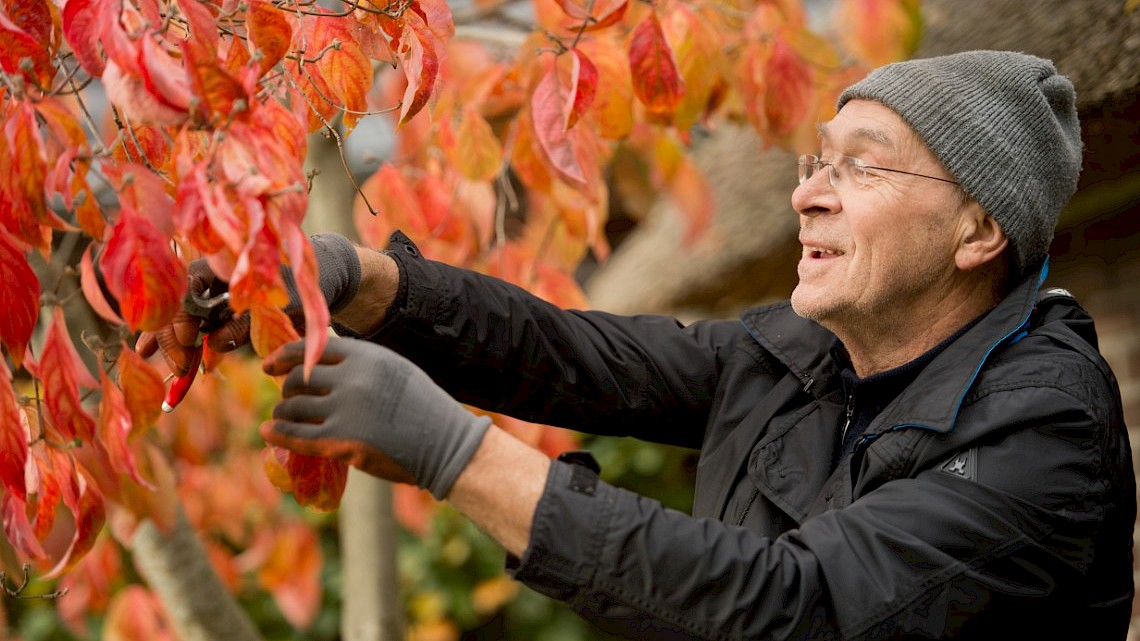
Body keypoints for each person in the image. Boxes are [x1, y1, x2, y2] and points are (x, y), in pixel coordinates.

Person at [141, 50, 1135, 639]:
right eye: (813, 162)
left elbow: (797, 606)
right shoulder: (801, 350)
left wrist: (459, 455)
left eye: (861, 170)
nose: (805, 194)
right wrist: (354, 274)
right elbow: (573, 355)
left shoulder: (1043, 428)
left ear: (979, 231)